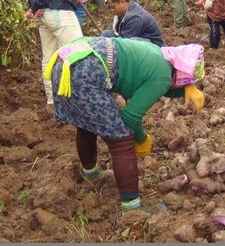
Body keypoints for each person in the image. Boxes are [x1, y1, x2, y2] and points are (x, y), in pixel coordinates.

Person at [43, 36, 205, 211]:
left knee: (86, 123)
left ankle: (92, 175)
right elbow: (130, 117)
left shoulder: (156, 54)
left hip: (68, 59)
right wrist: (142, 140)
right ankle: (132, 209)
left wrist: (189, 88)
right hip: (84, 72)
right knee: (123, 139)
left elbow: (160, 86)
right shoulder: (162, 76)